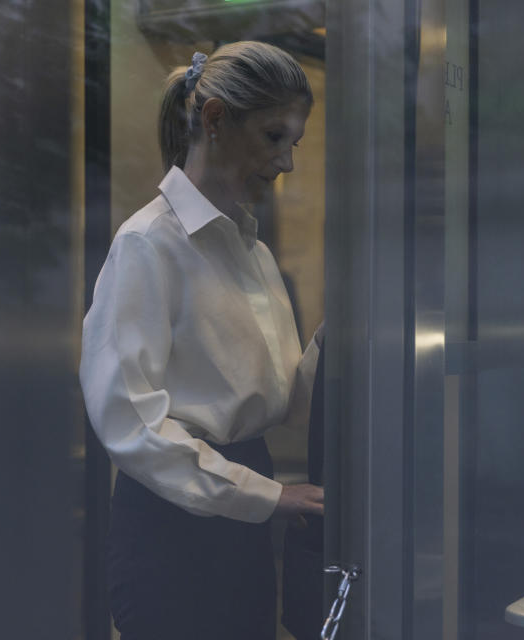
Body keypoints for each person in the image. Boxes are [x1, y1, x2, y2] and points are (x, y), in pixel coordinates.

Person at [79, 41, 323, 640]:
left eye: (293, 143)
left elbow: (280, 399)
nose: (286, 163)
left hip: (242, 516)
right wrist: (267, 497)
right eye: (273, 137)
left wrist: (353, 326)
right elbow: (131, 423)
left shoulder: (253, 251)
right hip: (171, 529)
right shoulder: (147, 244)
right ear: (214, 120)